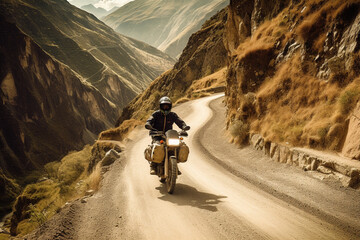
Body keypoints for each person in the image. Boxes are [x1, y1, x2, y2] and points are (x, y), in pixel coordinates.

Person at [145, 96, 190, 175]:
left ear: (170, 106)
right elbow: (150, 119)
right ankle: (153, 165)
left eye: (167, 106)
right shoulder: (156, 114)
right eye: (164, 106)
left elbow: (179, 121)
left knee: (177, 146)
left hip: (169, 135)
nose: (165, 107)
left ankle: (174, 166)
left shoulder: (172, 115)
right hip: (157, 134)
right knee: (157, 146)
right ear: (160, 106)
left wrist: (184, 127)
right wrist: (148, 124)